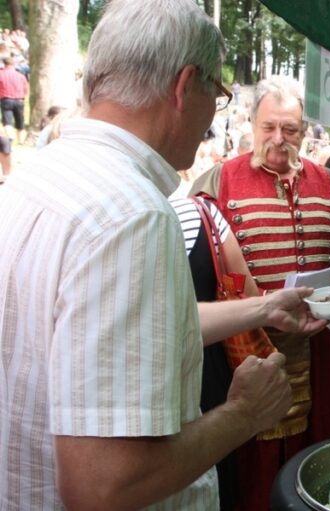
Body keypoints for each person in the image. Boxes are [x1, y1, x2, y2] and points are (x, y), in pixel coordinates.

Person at [0, 1, 293, 509]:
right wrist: (244, 413)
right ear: (185, 86)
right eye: (218, 94)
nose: (211, 115)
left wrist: (264, 308)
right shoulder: (132, 215)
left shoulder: (35, 178)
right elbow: (105, 484)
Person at [189, 74, 330, 510]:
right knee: (250, 464)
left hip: (317, 347)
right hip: (245, 350)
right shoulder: (217, 184)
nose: (278, 139)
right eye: (269, 127)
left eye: (290, 129)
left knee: (319, 454)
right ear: (252, 125)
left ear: (304, 132)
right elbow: (201, 273)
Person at [171, 196, 326, 510]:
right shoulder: (192, 210)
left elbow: (166, 325)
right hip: (207, 374)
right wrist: (244, 414)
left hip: (207, 366)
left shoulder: (200, 210)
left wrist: (267, 308)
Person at [0, 54, 28, 143]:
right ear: (14, 64)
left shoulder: (1, 74)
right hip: (19, 99)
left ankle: (10, 136)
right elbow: (26, 89)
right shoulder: (21, 76)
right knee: (20, 120)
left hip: (6, 99)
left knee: (7, 120)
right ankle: (21, 140)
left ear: (4, 64)